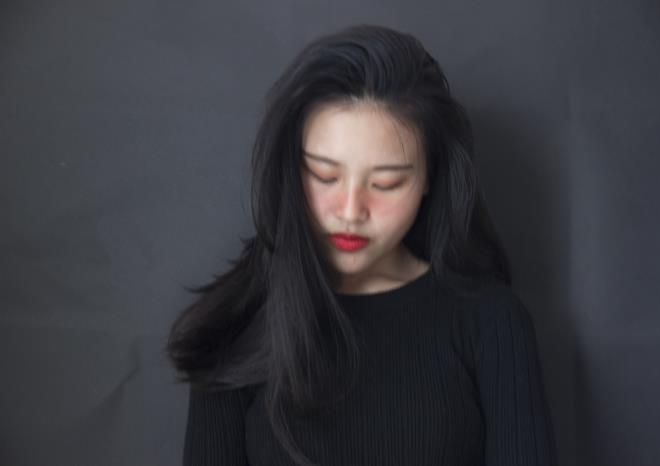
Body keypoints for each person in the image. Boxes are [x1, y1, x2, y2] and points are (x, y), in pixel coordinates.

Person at [166, 23, 558, 466]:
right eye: (325, 176)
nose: (351, 210)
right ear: (291, 171)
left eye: (386, 183)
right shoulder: (236, 324)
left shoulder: (491, 324)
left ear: (430, 178)